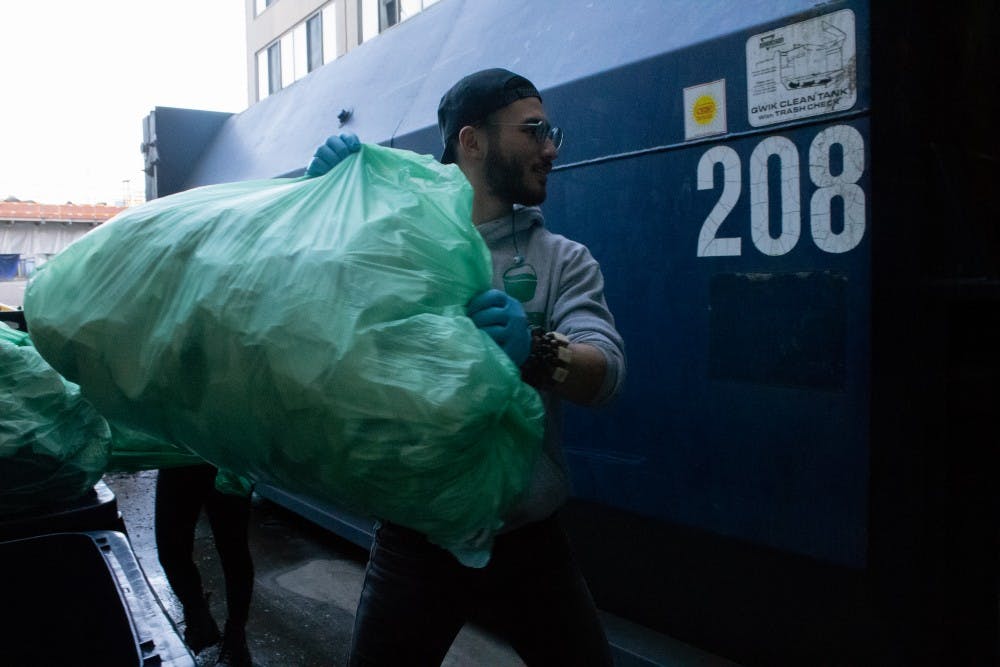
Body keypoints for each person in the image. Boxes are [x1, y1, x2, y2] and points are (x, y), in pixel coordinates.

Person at [306, 68, 626, 666]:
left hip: (529, 543)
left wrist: (537, 349)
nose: (551, 147)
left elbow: (605, 372)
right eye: (534, 131)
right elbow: (313, 312)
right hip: (416, 543)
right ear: (471, 142)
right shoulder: (395, 244)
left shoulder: (564, 262)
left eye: (551, 132)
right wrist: (323, 208)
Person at [155, 464, 255, 666]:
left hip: (225, 458)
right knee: (170, 548)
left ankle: (235, 637)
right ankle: (199, 619)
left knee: (233, 550)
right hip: (179, 454)